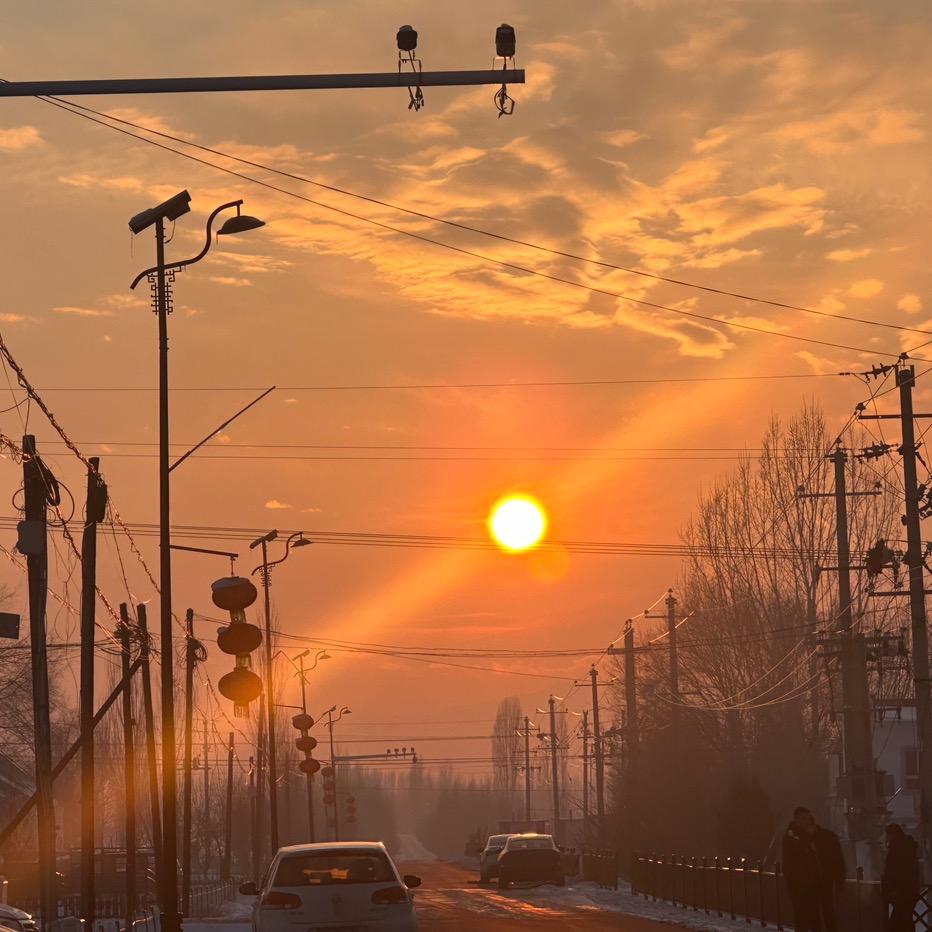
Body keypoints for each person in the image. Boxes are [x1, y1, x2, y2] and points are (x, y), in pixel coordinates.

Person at [781, 806, 846, 932]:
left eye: (808, 819)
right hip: (801, 884)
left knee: (825, 914)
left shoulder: (824, 836)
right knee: (807, 916)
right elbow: (795, 850)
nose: (806, 822)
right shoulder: (791, 835)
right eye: (803, 819)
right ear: (796, 820)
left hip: (820, 881)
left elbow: (836, 858)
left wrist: (839, 877)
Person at [882, 823, 920, 932]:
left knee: (897, 922)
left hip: (900, 892)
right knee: (906, 920)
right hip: (910, 891)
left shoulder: (895, 850)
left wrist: (892, 889)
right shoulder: (909, 848)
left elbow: (893, 871)